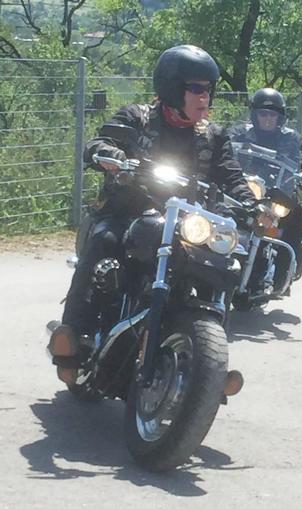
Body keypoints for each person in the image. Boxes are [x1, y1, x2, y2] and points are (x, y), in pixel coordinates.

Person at [49, 45, 254, 384]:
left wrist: (252, 203)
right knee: (105, 240)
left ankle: (210, 365)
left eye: (209, 89)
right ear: (172, 88)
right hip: (128, 212)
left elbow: (231, 175)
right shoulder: (137, 117)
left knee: (225, 263)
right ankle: (72, 336)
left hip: (186, 223)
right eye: (196, 88)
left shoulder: (213, 136)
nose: (205, 96)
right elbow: (101, 142)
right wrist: (111, 155)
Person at [229, 87, 302, 291]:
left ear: (280, 117)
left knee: (297, 214)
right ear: (255, 115)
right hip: (245, 189)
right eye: (263, 114)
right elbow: (225, 152)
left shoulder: (291, 138)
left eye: (272, 115)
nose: (268, 119)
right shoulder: (239, 133)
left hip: (277, 192)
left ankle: (282, 274)